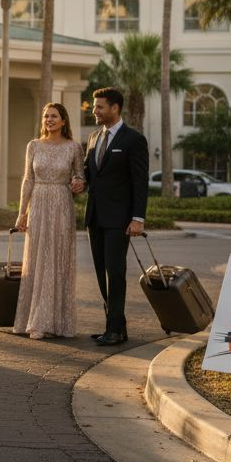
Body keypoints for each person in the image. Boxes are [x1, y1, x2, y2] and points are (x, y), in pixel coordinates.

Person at [78, 87, 149, 346]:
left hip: (119, 219)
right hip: (95, 217)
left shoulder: (134, 139)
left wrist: (137, 218)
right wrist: (79, 182)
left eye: (99, 107)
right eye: (94, 107)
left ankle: (115, 330)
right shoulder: (95, 137)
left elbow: (140, 183)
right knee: (100, 272)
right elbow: (88, 174)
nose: (94, 111)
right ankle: (115, 325)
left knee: (115, 272)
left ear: (115, 108)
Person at [13, 103, 85, 339]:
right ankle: (36, 321)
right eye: (46, 116)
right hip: (38, 204)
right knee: (36, 259)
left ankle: (57, 322)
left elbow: (80, 179)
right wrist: (22, 212)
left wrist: (77, 184)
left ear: (64, 120)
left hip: (62, 204)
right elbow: (28, 180)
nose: (49, 120)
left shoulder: (74, 147)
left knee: (57, 259)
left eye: (54, 116)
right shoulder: (33, 146)